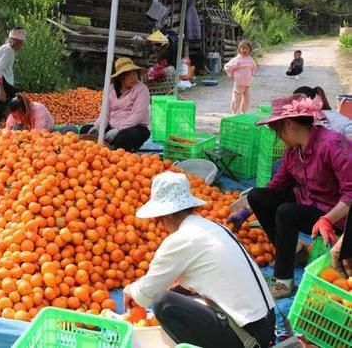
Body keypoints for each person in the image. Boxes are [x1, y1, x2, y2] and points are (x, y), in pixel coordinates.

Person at [123, 172, 276, 348]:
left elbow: (144, 295)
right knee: (177, 293)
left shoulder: (181, 239)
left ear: (166, 216)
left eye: (159, 220)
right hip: (266, 328)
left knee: (163, 303)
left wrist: (130, 289)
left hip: (248, 340)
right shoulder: (213, 227)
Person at [233, 94, 352, 298]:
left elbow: (350, 192)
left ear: (288, 124)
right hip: (309, 206)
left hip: (338, 215)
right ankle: (294, 252)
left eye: (277, 130)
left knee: (286, 212)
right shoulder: (292, 154)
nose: (277, 136)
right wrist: (244, 212)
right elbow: (275, 187)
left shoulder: (332, 144)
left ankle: (283, 282)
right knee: (258, 196)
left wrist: (328, 219)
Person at [79, 57, 151, 152]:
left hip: (135, 127)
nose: (134, 77)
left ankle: (116, 156)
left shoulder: (141, 90)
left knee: (123, 137)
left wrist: (118, 129)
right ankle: (98, 153)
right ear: (121, 77)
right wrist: (98, 126)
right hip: (112, 126)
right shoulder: (110, 89)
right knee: (86, 130)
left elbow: (138, 116)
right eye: (129, 75)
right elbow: (105, 113)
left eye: (135, 74)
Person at [224, 40, 257, 114]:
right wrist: (232, 74)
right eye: (243, 48)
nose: (245, 50)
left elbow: (254, 67)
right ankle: (235, 112)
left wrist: (252, 75)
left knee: (247, 99)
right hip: (239, 82)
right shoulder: (237, 60)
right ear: (239, 49)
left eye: (247, 48)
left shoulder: (250, 59)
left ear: (250, 50)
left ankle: (243, 112)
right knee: (237, 98)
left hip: (247, 82)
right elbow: (227, 67)